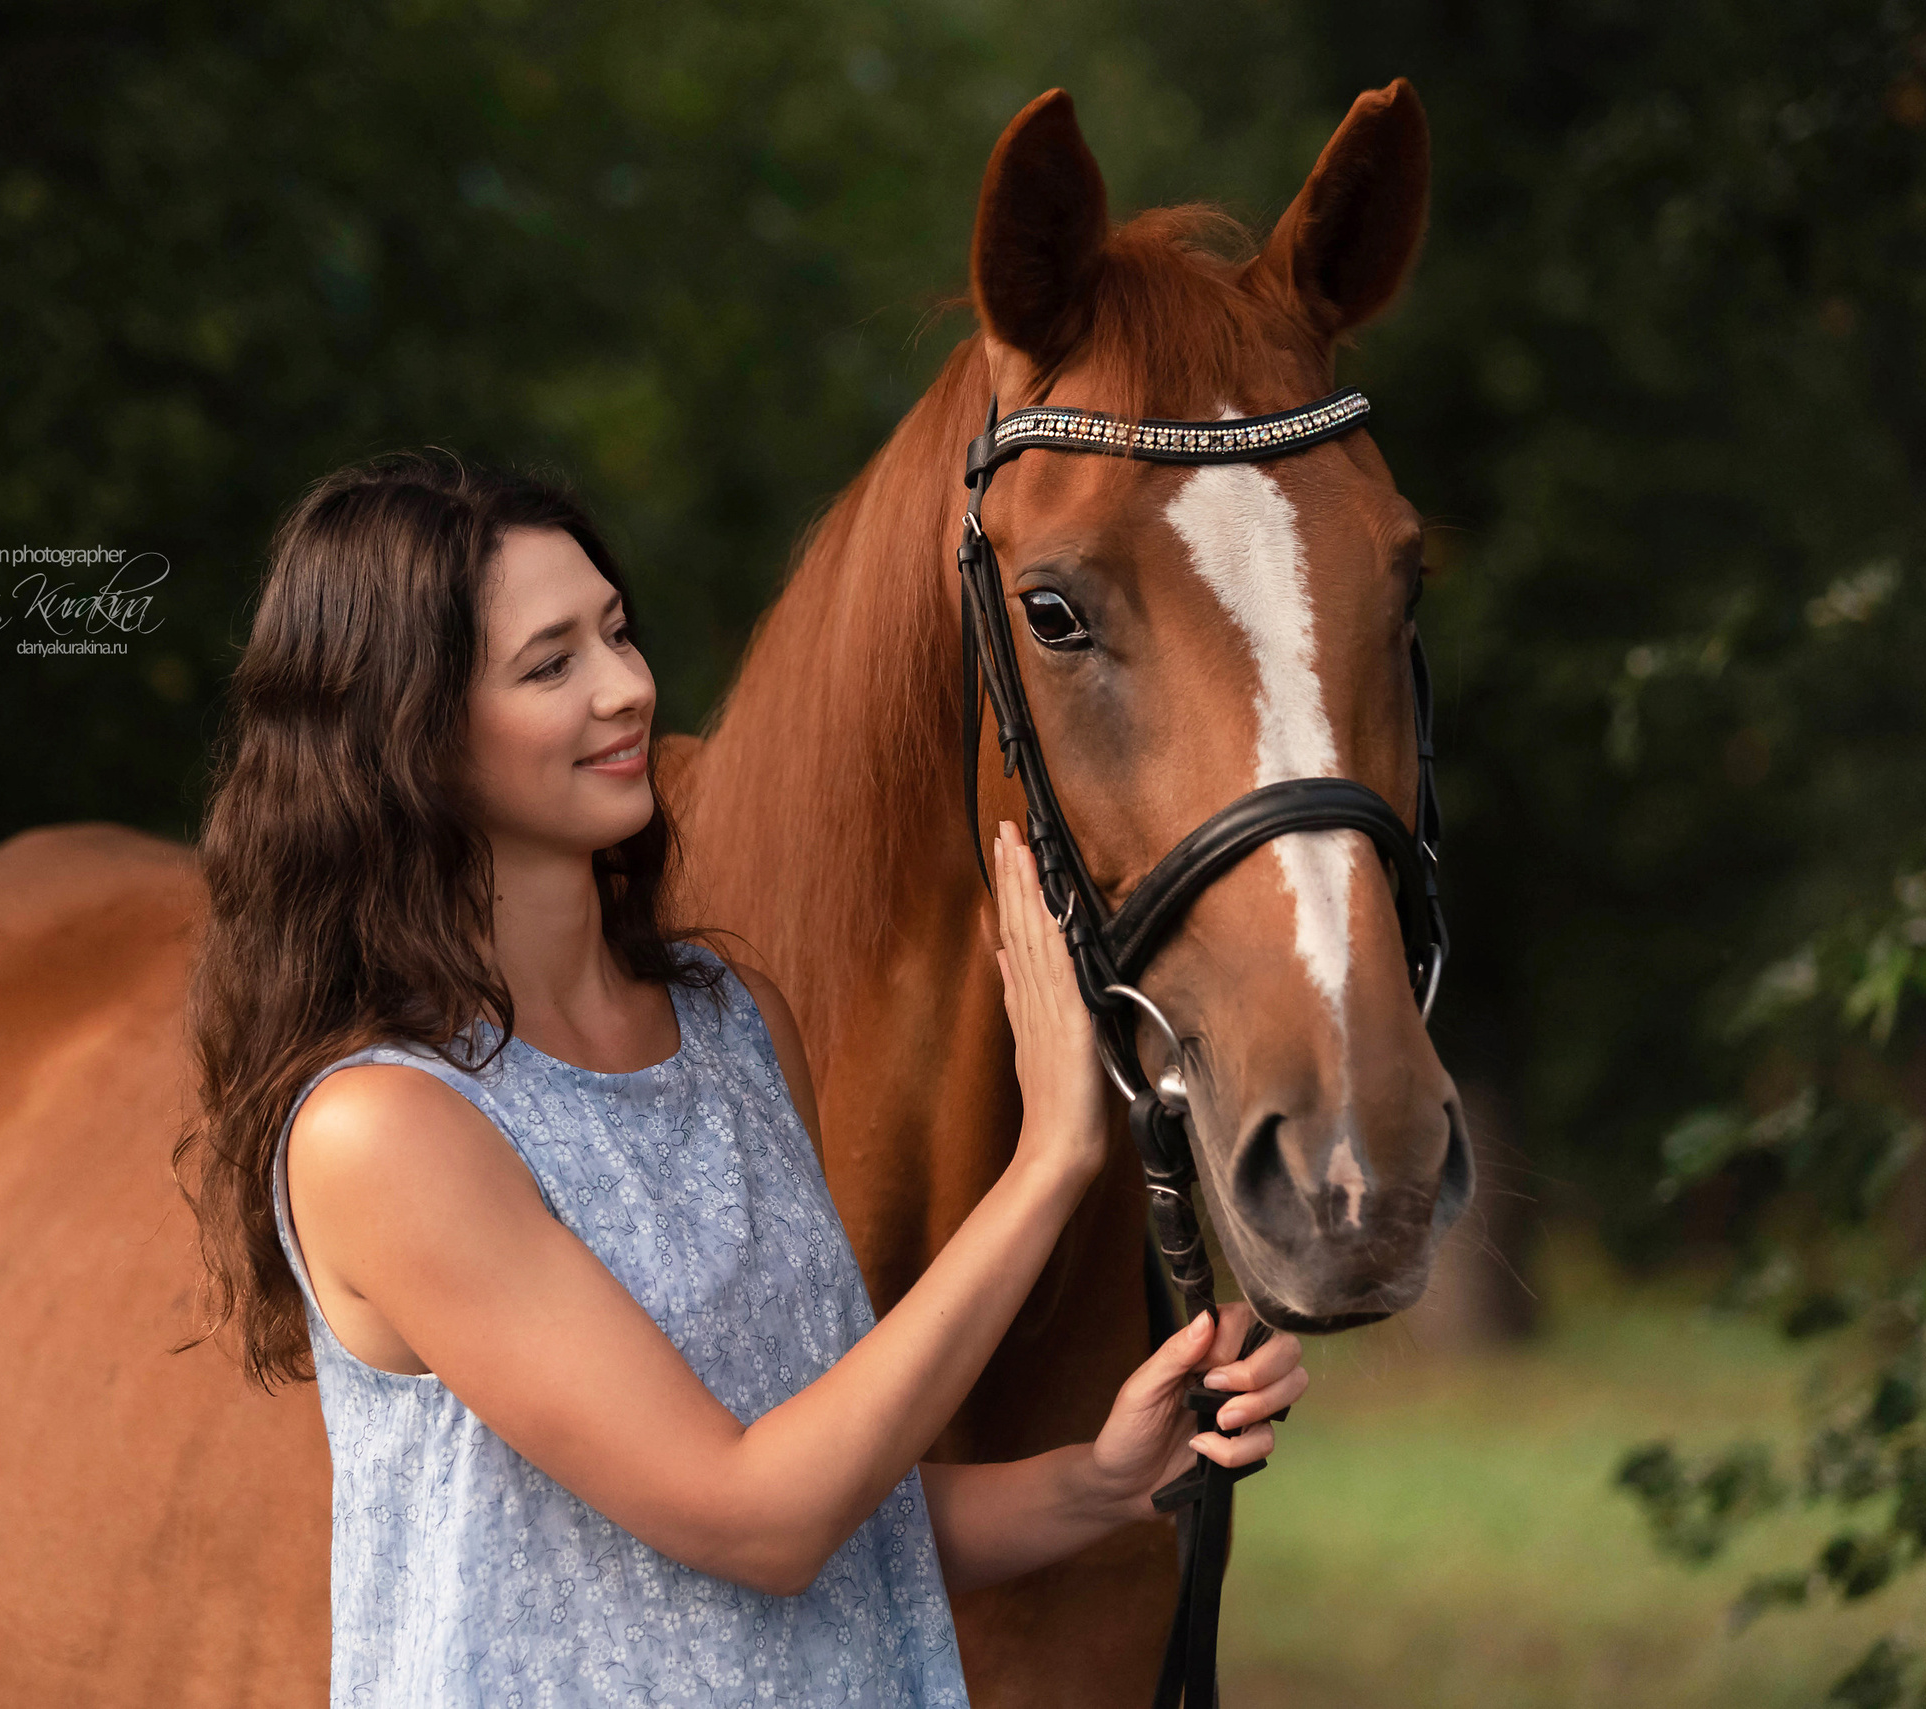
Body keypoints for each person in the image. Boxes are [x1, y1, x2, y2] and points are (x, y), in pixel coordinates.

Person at [178, 452, 1308, 1706]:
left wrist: (1097, 1477)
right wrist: (1049, 1159)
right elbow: (753, 1518)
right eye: (549, 664)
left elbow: (834, 1505)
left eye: (615, 630)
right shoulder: (385, 1129)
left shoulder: (729, 1024)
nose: (626, 690)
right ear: (407, 740)